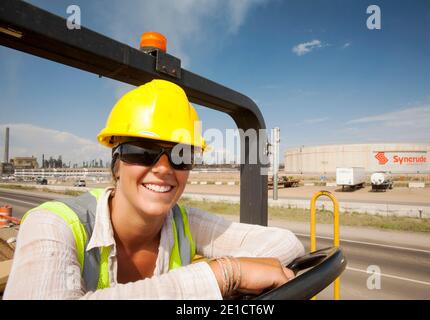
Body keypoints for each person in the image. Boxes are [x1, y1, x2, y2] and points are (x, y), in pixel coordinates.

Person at [3, 80, 304, 299]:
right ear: (117, 163)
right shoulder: (53, 223)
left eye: (180, 155)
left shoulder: (182, 222)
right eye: (142, 150)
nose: (163, 168)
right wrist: (226, 274)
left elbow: (285, 242)